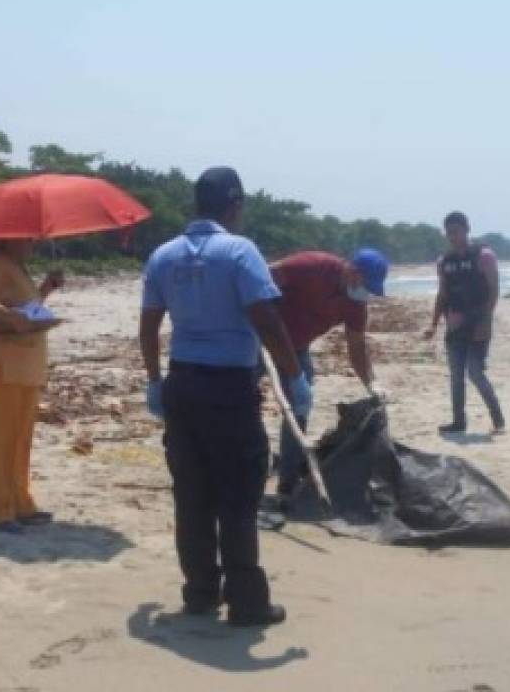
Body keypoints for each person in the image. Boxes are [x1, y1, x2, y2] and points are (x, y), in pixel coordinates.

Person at [139, 167, 311, 627]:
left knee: (192, 493)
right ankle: (247, 602)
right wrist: (294, 379)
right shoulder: (239, 251)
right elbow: (267, 320)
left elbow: (149, 325)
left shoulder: (162, 256)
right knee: (239, 493)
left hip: (181, 385)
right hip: (228, 388)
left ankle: (199, 592)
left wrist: (154, 380)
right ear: (234, 205)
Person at [268, 247, 389, 501]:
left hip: (296, 349)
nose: (366, 294)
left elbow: (356, 349)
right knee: (236, 400)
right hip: (259, 340)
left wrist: (372, 383)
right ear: (353, 272)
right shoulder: (312, 266)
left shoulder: (356, 305)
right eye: (366, 286)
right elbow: (261, 279)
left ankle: (287, 483)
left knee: (298, 409)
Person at [0, 240, 62, 533]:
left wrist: (46, 288)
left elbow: (26, 311)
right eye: (29, 236)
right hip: (1, 365)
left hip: (24, 365)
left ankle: (19, 502)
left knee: (20, 437)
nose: (34, 242)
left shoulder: (18, 267)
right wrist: (6, 316)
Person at [428, 211, 505, 434]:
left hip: (478, 323)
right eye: (449, 232)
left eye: (456, 231)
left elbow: (493, 291)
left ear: (467, 229)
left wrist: (486, 321)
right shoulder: (444, 262)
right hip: (454, 326)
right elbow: (442, 294)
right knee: (456, 376)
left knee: (475, 373)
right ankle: (458, 421)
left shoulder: (484, 256)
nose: (453, 236)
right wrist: (433, 323)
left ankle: (497, 417)